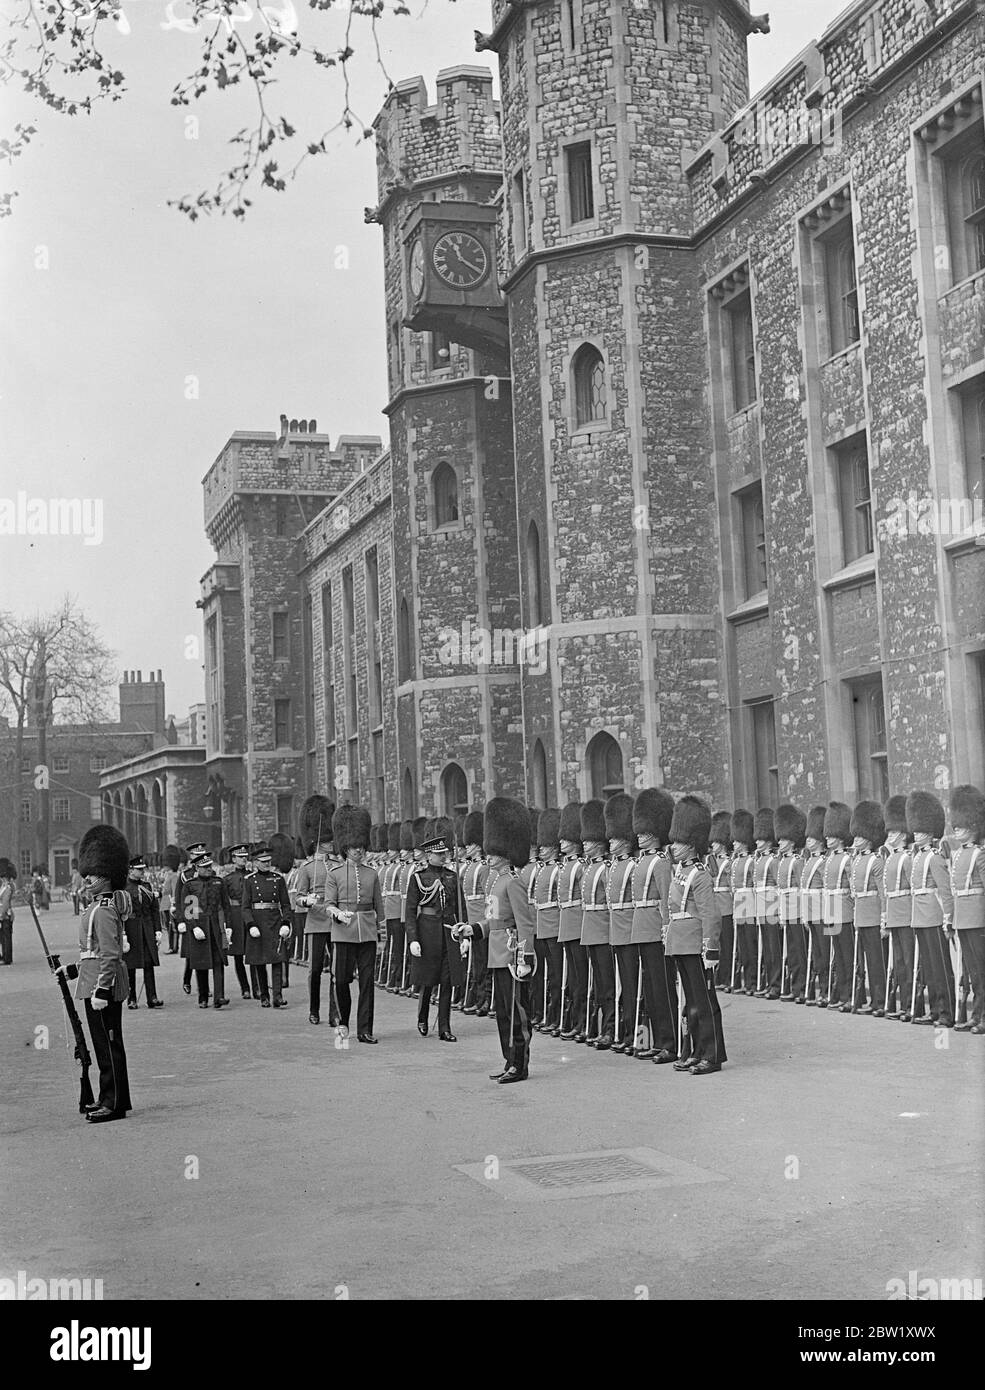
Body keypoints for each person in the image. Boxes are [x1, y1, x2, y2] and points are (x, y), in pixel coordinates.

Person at [457, 797, 536, 1084]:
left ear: (504, 852)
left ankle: (520, 1064)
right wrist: (471, 930)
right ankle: (508, 1060)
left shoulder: (513, 881)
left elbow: (525, 923)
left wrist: (526, 957)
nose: (487, 856)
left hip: (513, 955)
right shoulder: (495, 881)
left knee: (517, 1014)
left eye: (492, 851)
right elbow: (492, 921)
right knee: (503, 1012)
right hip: (496, 953)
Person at [74, 825, 133, 1123]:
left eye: (92, 875)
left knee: (108, 1045)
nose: (86, 879)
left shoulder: (106, 910)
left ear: (107, 875)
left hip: (102, 987)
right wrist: (71, 971)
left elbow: (110, 955)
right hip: (94, 981)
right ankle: (108, 1096)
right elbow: (91, 952)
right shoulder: (95, 908)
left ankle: (114, 1102)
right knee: (102, 1045)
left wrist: (101, 990)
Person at [664, 796, 726, 1076]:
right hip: (681, 942)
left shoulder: (700, 875)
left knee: (704, 1002)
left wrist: (710, 949)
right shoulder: (681, 872)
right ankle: (695, 1050)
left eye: (678, 842)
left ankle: (712, 1055)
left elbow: (710, 915)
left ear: (691, 843)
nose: (673, 846)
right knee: (690, 1002)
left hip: (696, 945)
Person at [325, 805, 385, 1043]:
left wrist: (382, 937)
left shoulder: (372, 873)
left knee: (368, 984)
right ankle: (342, 1024)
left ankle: (365, 1030)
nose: (358, 850)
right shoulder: (335, 874)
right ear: (345, 848)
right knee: (340, 981)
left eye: (360, 846)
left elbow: (379, 909)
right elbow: (328, 904)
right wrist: (338, 914)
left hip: (368, 932)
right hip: (342, 934)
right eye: (353, 847)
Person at [405, 818, 464, 1041]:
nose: (443, 857)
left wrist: (464, 934)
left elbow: (461, 906)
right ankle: (422, 1017)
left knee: (447, 982)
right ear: (429, 855)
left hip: (449, 932)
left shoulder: (452, 876)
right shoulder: (418, 878)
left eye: (444, 854)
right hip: (427, 932)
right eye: (439, 854)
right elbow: (410, 911)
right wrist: (413, 938)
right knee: (428, 981)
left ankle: (445, 1027)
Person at [630, 788, 677, 1063]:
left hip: (656, 929)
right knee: (649, 988)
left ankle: (669, 1043)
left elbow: (666, 898)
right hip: (641, 928)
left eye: (645, 832)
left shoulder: (660, 863)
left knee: (662, 988)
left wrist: (667, 929)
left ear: (656, 833)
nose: (640, 835)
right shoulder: (641, 861)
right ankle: (657, 1040)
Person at [906, 790, 954, 1027]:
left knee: (940, 967)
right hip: (920, 917)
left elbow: (945, 890)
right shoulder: (916, 857)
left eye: (921, 830)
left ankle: (946, 1011)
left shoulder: (934, 858)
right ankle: (934, 1009)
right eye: (916, 829)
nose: (916, 833)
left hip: (934, 917)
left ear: (930, 833)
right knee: (928, 968)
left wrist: (948, 919)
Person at [294, 795, 338, 1026]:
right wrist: (307, 901)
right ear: (320, 843)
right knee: (315, 970)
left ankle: (335, 1011)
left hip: (335, 921)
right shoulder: (307, 868)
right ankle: (314, 1009)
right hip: (316, 922)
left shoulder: (339, 866)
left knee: (336, 971)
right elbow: (298, 898)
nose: (332, 844)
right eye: (328, 841)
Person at [948, 784, 985, 1035]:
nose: (956, 829)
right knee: (973, 973)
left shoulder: (980, 854)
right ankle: (977, 1014)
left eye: (960, 826)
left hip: (978, 917)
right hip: (963, 918)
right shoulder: (958, 855)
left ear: (973, 826)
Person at [605, 793, 638, 1053]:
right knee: (619, 987)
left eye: (615, 837)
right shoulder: (612, 867)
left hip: (630, 930)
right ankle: (623, 1032)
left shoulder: (632, 866)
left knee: (632, 987)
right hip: (615, 929)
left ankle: (635, 1034)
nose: (611, 841)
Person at [580, 799, 614, 1049]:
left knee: (608, 985)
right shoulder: (589, 869)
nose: (584, 843)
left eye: (589, 840)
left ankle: (611, 1029)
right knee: (598, 986)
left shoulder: (605, 868)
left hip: (603, 931)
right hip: (590, 931)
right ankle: (598, 1026)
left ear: (599, 843)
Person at [243, 843, 293, 1008]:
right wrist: (250, 924)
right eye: (263, 861)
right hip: (257, 922)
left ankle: (277, 996)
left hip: (274, 921)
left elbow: (285, 904)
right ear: (256, 862)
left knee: (277, 958)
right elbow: (245, 907)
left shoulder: (278, 879)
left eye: (268, 861)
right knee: (259, 961)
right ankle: (264, 994)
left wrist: (286, 922)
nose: (267, 864)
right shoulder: (249, 881)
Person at [849, 800, 887, 1015]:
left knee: (875, 962)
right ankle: (869, 999)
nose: (856, 839)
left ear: (869, 838)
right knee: (863, 962)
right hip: (860, 917)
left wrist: (883, 920)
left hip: (873, 916)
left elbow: (882, 893)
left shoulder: (875, 861)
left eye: (860, 836)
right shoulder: (856, 861)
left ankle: (879, 1001)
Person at [182, 849, 232, 1009]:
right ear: (197, 868)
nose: (208, 869)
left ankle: (219, 997)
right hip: (200, 926)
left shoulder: (218, 882)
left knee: (219, 961)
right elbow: (188, 910)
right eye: (204, 866)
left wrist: (228, 926)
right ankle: (203, 996)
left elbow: (226, 905)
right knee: (201, 964)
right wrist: (194, 928)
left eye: (209, 865)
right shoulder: (190, 886)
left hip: (216, 926)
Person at [530, 808, 563, 1036]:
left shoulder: (558, 870)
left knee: (557, 976)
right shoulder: (541, 870)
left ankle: (558, 1016)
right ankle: (545, 1014)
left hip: (556, 927)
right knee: (543, 975)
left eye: (545, 844)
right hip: (541, 926)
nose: (541, 848)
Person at [557, 802, 587, 1042]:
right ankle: (573, 1019)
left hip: (578, 925)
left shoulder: (580, 866)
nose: (561, 842)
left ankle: (582, 1021)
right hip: (566, 926)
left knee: (581, 979)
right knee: (572, 979)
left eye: (566, 838)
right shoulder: (565, 866)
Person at [822, 802, 854, 1010]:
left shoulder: (847, 859)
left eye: (831, 834)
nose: (827, 837)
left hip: (843, 909)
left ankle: (851, 994)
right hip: (831, 910)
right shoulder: (829, 858)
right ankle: (841, 993)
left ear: (840, 836)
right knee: (838, 956)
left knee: (848, 955)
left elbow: (851, 889)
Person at [775, 804, 807, 1004]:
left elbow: (802, 888)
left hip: (796, 909)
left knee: (799, 951)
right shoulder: (781, 861)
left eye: (784, 839)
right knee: (792, 952)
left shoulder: (796, 861)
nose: (780, 842)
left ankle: (802, 987)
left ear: (792, 841)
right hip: (786, 910)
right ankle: (795, 986)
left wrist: (802, 913)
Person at [460, 810, 490, 1015]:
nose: (467, 847)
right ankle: (478, 997)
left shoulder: (483, 867)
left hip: (482, 923)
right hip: (472, 922)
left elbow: (490, 898)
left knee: (484, 963)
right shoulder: (470, 867)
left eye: (470, 844)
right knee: (476, 963)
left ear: (478, 846)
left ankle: (485, 998)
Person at [123, 856, 163, 1009]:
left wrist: (158, 930)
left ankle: (152, 997)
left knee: (148, 963)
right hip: (131, 928)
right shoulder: (123, 888)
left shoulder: (147, 886)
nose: (142, 872)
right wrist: (123, 933)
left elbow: (154, 909)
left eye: (142, 869)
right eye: (139, 869)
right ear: (130, 870)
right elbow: (120, 913)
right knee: (130, 966)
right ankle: (131, 998)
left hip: (146, 927)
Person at [800, 807, 830, 1008]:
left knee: (825, 953)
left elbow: (828, 888)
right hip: (811, 912)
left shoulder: (823, 861)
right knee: (817, 955)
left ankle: (828, 990)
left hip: (822, 912)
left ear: (820, 839)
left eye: (812, 837)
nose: (808, 840)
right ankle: (820, 988)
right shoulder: (809, 860)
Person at [753, 808, 780, 999]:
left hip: (771, 904)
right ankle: (769, 981)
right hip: (760, 906)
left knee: (773, 947)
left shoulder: (772, 860)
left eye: (761, 839)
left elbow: (778, 886)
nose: (757, 841)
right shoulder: (759, 859)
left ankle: (776, 984)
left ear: (769, 840)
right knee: (766, 948)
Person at [707, 812, 734, 993]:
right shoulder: (710, 861)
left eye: (715, 842)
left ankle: (726, 976)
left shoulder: (728, 862)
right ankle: (718, 975)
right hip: (714, 908)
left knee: (727, 945)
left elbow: (732, 887)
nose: (712, 845)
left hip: (726, 907)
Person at [730, 810, 757, 994]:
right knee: (742, 945)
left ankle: (753, 981)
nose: (734, 843)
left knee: (750, 943)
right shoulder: (735, 862)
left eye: (737, 841)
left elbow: (754, 886)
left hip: (749, 902)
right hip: (739, 902)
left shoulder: (751, 861)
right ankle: (746, 980)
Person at [160, 846, 181, 953]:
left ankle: (174, 947)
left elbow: (174, 891)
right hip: (164, 904)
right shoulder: (168, 875)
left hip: (169, 904)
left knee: (172, 927)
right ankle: (171, 946)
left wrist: (174, 905)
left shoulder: (174, 876)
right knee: (168, 928)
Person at [0, 860, 15, 965]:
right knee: (4, 937)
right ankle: (5, 956)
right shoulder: (4, 887)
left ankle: (7, 958)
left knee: (6, 937)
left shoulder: (7, 888)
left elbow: (5, 904)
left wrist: (1, 914)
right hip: (4, 914)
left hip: (5, 915)